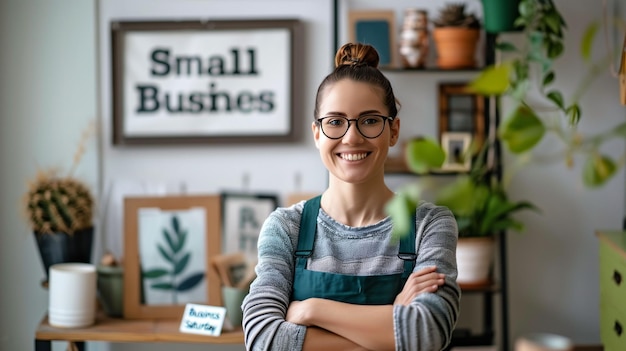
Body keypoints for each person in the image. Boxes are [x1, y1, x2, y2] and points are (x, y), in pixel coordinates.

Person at [241, 42, 460, 351]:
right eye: (335, 122)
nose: (351, 137)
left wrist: (310, 310)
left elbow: (427, 334)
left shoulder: (430, 224)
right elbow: (264, 339)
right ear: (317, 133)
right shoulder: (285, 227)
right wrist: (394, 318)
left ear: (393, 131)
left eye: (370, 120)